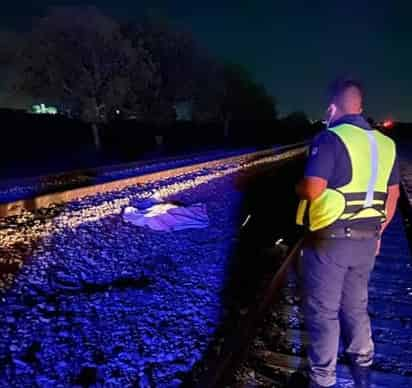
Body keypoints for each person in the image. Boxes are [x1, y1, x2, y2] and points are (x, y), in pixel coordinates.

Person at [294, 78, 400, 387]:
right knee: (356, 306)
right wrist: (378, 232)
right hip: (367, 241)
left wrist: (297, 186)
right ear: (361, 107)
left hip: (331, 241)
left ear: (331, 107)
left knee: (324, 312)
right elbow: (391, 196)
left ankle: (322, 379)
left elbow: (313, 189)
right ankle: (362, 370)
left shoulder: (329, 138)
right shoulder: (386, 144)